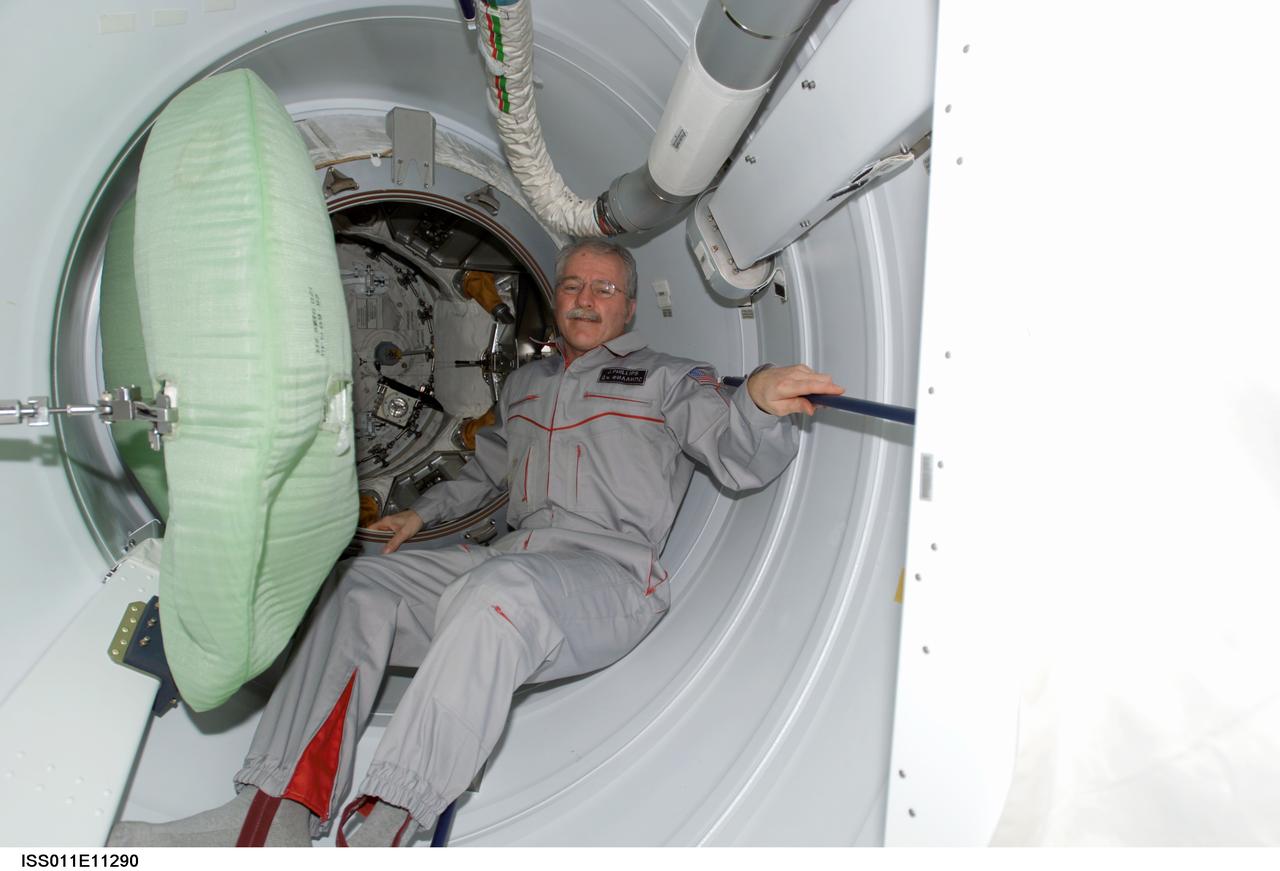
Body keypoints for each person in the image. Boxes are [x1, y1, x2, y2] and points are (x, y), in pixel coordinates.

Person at [109, 239, 844, 847]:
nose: (586, 299)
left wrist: (754, 402)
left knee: (500, 596)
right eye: (573, 285)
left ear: (628, 303)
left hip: (608, 579)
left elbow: (733, 449)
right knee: (360, 586)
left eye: (605, 289)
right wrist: (422, 516)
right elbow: (489, 467)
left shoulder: (668, 379)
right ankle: (273, 812)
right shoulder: (527, 384)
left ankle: (386, 825)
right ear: (555, 297)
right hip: (510, 562)